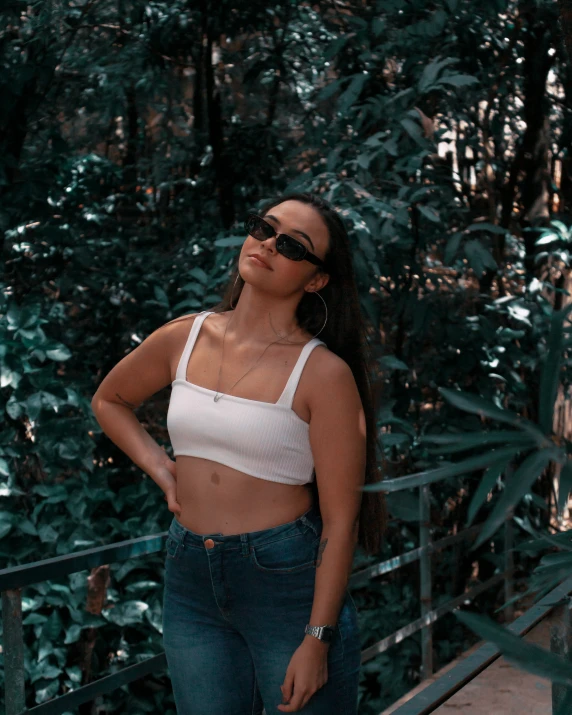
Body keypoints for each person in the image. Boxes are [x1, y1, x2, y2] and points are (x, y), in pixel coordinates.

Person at [91, 192, 387, 714]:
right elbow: (109, 401)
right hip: (190, 573)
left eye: (293, 246)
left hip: (286, 581)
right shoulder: (185, 337)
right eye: (264, 228)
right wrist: (162, 468)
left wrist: (317, 637)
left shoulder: (322, 374)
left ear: (316, 279)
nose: (269, 244)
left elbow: (342, 523)